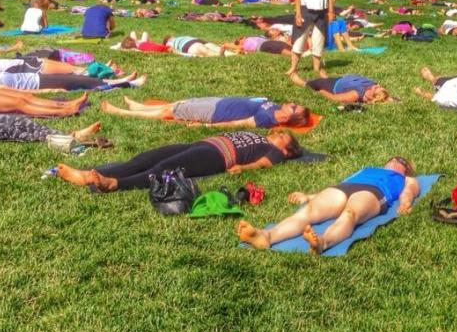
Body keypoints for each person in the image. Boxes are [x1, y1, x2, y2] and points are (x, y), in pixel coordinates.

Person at [238, 156, 419, 254]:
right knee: (308, 211)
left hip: (374, 192)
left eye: (402, 162)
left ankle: (322, 243)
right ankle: (267, 236)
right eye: (393, 159)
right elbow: (343, 181)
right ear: (385, 162)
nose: (396, 161)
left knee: (350, 214)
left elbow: (408, 192)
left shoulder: (407, 179)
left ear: (406, 170)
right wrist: (309, 196)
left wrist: (404, 204)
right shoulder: (367, 168)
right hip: (344, 188)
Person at [55, 130, 301, 192]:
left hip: (216, 156)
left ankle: (114, 184)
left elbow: (265, 163)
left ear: (286, 150)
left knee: (162, 169)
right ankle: (88, 175)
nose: (278, 134)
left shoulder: (275, 151)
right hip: (201, 145)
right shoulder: (260, 135)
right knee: (145, 158)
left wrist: (244, 167)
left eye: (282, 137)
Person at [99, 94, 312, 128]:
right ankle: (139, 106)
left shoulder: (267, 119)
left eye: (293, 106)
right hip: (219, 102)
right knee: (178, 104)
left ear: (287, 117)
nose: (290, 102)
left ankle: (121, 112)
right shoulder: (273, 108)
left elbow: (239, 124)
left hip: (215, 113)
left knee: (171, 112)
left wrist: (207, 126)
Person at [0, 69, 144, 92]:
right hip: (43, 84)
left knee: (80, 79)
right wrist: (51, 91)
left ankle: (121, 80)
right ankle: (128, 84)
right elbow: (24, 93)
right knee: (85, 82)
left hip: (40, 77)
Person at [292, 73, 393, 104]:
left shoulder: (356, 94)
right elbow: (389, 99)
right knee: (328, 78)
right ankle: (326, 77)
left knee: (316, 83)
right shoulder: (371, 89)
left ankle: (303, 83)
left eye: (376, 88)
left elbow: (334, 98)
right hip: (342, 81)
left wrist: (321, 91)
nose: (378, 85)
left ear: (371, 95)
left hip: (331, 86)